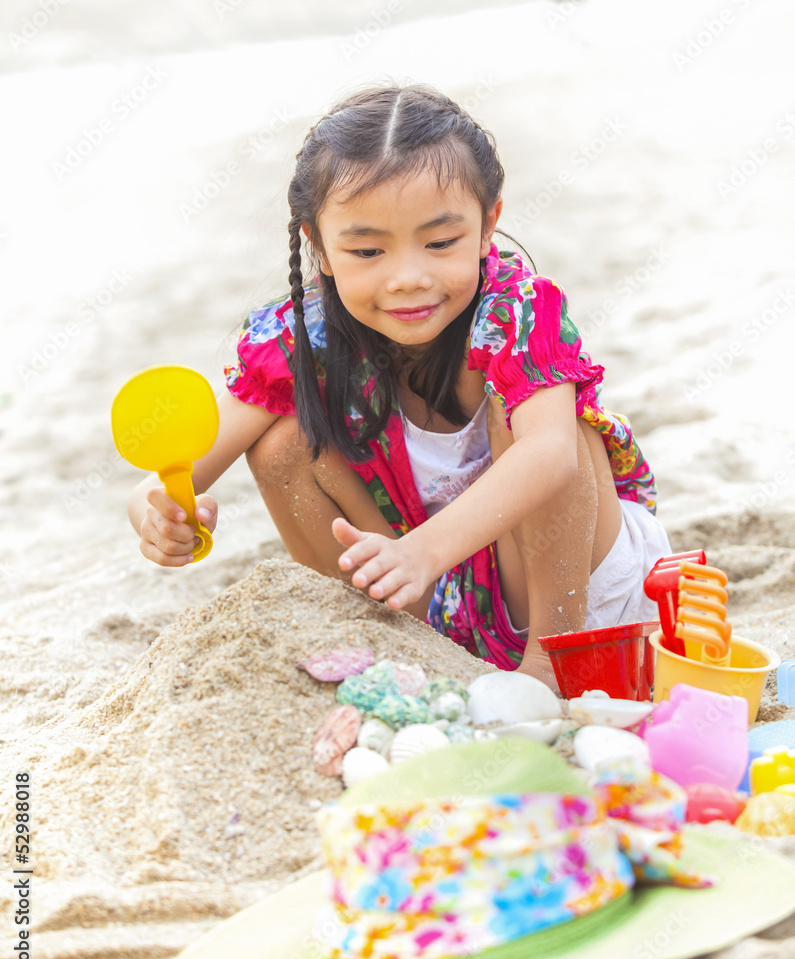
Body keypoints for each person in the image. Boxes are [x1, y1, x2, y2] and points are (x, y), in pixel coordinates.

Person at [127, 83, 670, 690]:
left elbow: (550, 457)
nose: (408, 278)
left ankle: (549, 668)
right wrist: (160, 512)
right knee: (280, 443)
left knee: (548, 426)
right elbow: (176, 474)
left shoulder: (516, 311)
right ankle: (403, 648)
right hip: (438, 603)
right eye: (366, 250)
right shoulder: (302, 337)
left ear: (488, 223)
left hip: (580, 595)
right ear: (321, 248)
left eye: (440, 243)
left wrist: (424, 552)